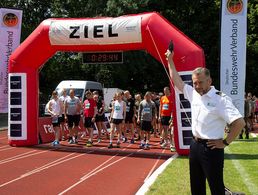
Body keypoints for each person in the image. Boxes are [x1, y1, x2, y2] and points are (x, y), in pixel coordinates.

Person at [165, 49, 245, 195]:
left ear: (209, 81)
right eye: (195, 83)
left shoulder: (220, 99)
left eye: (200, 82)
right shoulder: (194, 93)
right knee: (196, 187)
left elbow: (239, 122)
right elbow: (177, 82)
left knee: (216, 188)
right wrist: (170, 60)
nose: (197, 86)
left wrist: (225, 142)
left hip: (212, 148)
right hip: (195, 145)